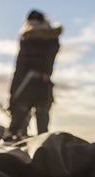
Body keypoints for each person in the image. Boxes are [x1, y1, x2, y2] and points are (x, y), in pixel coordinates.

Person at [5, 9, 61, 141]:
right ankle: (42, 149)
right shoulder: (51, 37)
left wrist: (13, 93)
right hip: (39, 83)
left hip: (29, 85)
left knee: (18, 122)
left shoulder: (29, 37)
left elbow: (20, 67)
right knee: (40, 124)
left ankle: (9, 144)